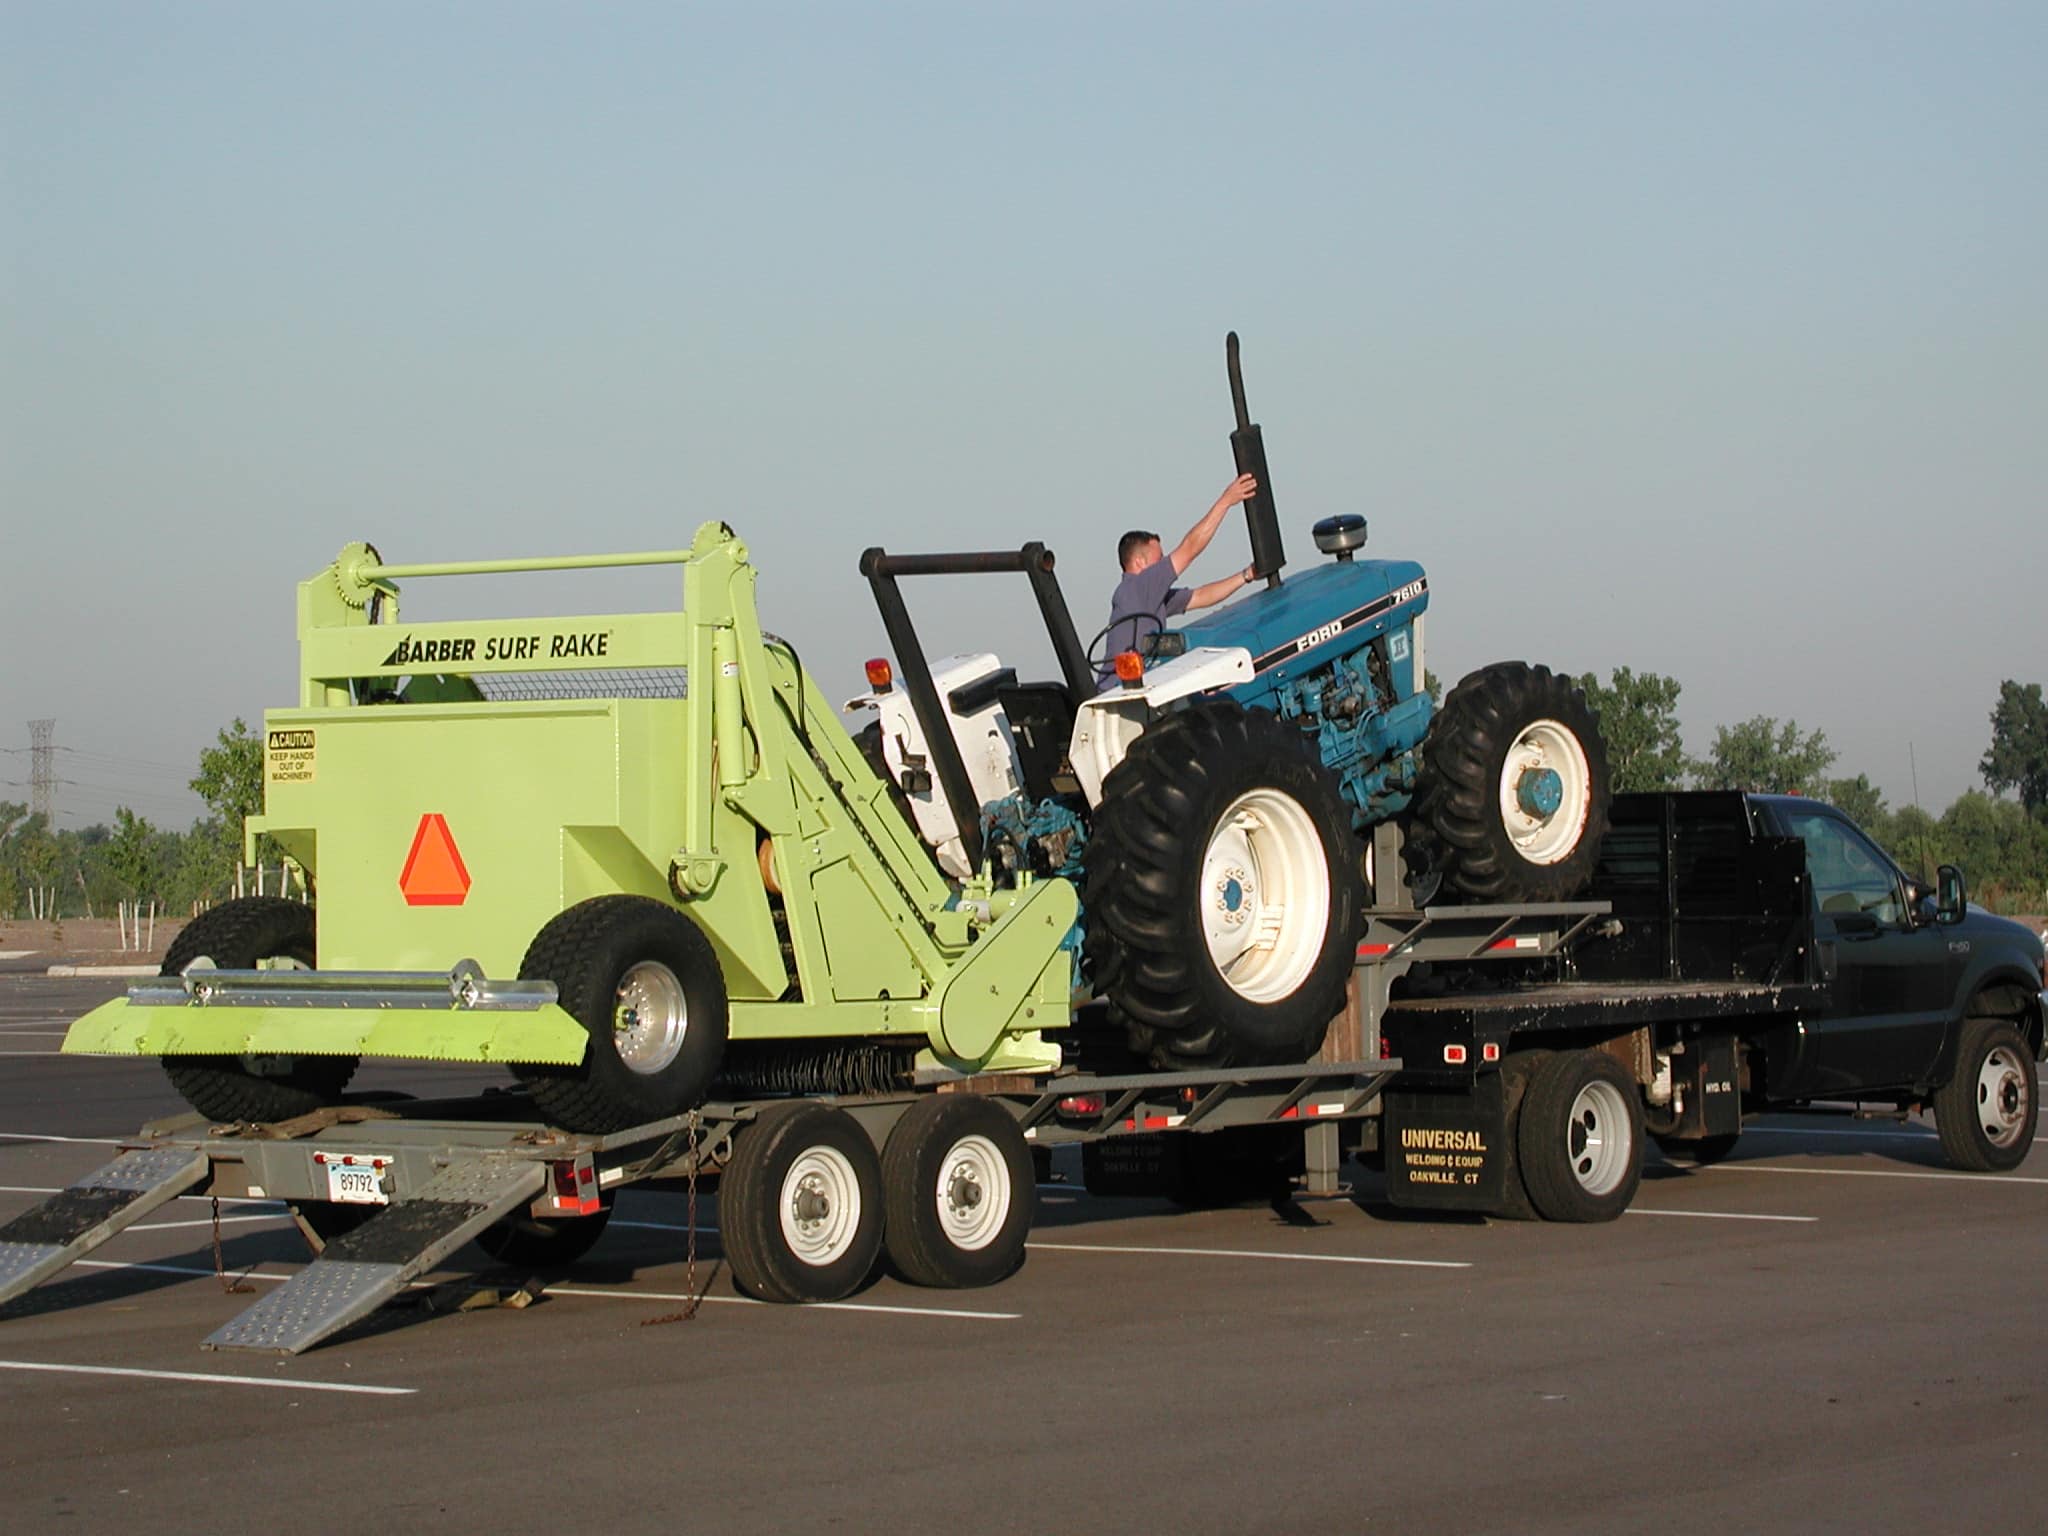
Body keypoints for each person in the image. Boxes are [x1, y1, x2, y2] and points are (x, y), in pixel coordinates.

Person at [1095, 473, 1261, 690]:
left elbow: (1200, 596)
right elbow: (1190, 549)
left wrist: (1246, 575)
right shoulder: (1137, 587)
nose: (1164, 562)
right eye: (1159, 558)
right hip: (1123, 692)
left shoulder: (1150, 599)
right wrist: (1226, 501)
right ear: (1139, 562)